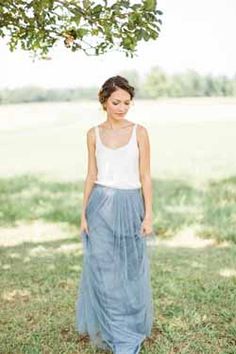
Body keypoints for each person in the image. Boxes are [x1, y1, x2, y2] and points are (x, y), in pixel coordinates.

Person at [75, 75, 154, 354]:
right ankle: (115, 330)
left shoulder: (140, 132)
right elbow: (91, 175)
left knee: (130, 271)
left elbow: (145, 176)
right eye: (116, 102)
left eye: (127, 103)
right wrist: (84, 213)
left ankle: (130, 328)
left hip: (131, 205)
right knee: (104, 270)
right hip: (100, 206)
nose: (122, 108)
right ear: (104, 101)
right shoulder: (93, 133)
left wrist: (148, 215)